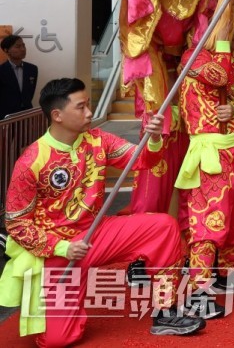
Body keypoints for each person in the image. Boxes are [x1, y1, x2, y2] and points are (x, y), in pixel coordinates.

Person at [0, 77, 205, 344]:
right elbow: (16, 224)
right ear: (57, 115)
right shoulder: (31, 160)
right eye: (81, 107)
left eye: (89, 105)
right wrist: (62, 248)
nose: (89, 113)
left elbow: (142, 159)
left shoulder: (97, 139)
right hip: (58, 249)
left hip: (97, 232)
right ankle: (66, 305)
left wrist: (153, 139)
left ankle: (165, 311)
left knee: (162, 227)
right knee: (58, 340)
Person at [174, 34, 234, 317]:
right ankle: (200, 292)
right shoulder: (193, 59)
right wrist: (221, 43)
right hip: (211, 154)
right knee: (208, 223)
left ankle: (226, 274)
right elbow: (220, 77)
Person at [0, 34, 38, 118]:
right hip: (6, 116)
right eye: (17, 46)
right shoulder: (1, 70)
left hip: (27, 114)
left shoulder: (32, 69)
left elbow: (30, 93)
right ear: (6, 50)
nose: (23, 49)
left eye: (23, 46)